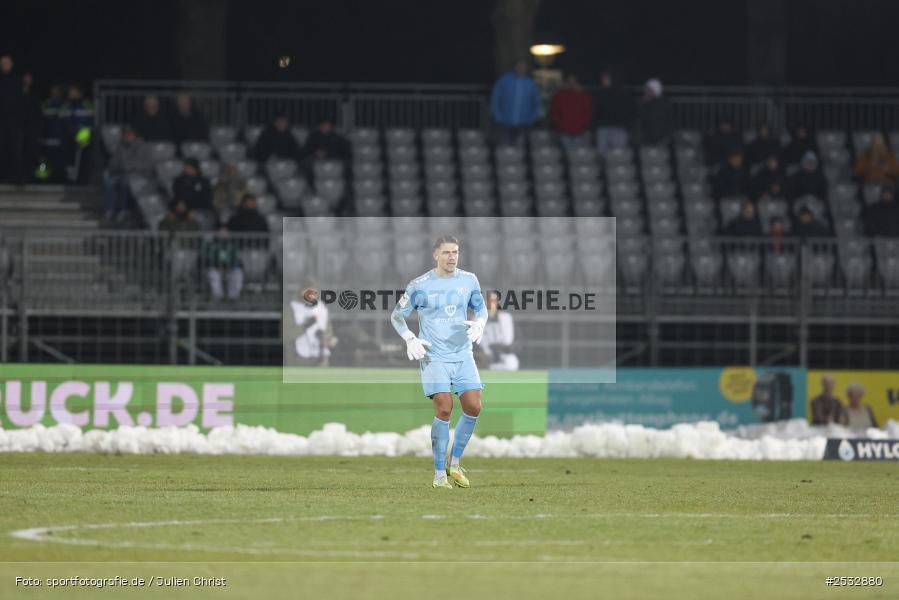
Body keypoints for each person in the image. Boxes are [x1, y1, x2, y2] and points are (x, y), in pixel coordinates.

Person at [390, 235, 487, 489]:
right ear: (435, 255)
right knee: (444, 408)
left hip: (463, 354)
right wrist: (410, 338)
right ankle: (438, 475)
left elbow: (481, 308)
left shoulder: (469, 280)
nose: (451, 257)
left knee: (474, 406)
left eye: (455, 252)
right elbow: (397, 316)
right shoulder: (419, 284)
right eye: (446, 252)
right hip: (434, 355)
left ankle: (454, 464)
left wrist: (481, 322)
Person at [103, 126, 153, 223]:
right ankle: (110, 210)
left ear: (135, 135)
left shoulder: (143, 146)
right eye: (125, 134)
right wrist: (117, 166)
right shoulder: (120, 146)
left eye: (129, 134)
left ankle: (124, 210)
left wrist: (131, 166)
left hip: (138, 175)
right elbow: (113, 162)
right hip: (121, 173)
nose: (127, 136)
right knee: (109, 182)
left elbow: (148, 164)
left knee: (125, 183)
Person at [489, 58, 542, 146]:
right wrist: (498, 116)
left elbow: (537, 102)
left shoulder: (531, 84)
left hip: (524, 123)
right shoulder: (504, 81)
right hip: (505, 122)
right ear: (515, 67)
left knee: (520, 150)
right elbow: (494, 99)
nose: (521, 68)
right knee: (504, 149)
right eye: (519, 66)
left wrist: (532, 117)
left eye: (524, 67)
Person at [288, 283, 336, 366]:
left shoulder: (321, 309)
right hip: (299, 358)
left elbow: (329, 334)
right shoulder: (291, 309)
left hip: (320, 357)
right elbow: (286, 335)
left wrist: (326, 339)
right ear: (301, 292)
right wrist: (304, 326)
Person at [58, 84, 94, 183]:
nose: (70, 94)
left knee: (82, 159)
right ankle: (69, 179)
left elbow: (89, 122)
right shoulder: (65, 106)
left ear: (79, 93)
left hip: (83, 136)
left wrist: (82, 138)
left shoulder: (87, 104)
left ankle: (81, 180)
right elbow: (62, 122)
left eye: (73, 91)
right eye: (70, 92)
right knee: (68, 159)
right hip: (68, 136)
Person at [593, 69, 634, 156]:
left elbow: (628, 111)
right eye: (603, 78)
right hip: (603, 128)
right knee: (602, 156)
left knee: (618, 156)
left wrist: (627, 125)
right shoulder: (599, 94)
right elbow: (596, 111)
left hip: (619, 128)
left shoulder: (622, 93)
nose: (603, 80)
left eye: (606, 78)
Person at [476, 291, 519, 370]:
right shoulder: (476, 321)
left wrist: (501, 348)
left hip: (504, 355)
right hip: (485, 358)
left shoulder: (506, 318)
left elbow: (515, 342)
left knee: (512, 362)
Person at [300, 117, 351, 185]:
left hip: (334, 162)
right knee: (307, 164)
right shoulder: (313, 137)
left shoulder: (338, 138)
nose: (325, 127)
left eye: (327, 125)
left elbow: (346, 153)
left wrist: (328, 154)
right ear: (319, 126)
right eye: (323, 125)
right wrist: (315, 153)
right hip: (316, 163)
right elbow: (306, 150)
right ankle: (313, 187)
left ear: (331, 126)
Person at [548, 74, 592, 149]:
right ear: (566, 82)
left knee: (577, 156)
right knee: (566, 155)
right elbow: (554, 113)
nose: (571, 83)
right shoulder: (559, 95)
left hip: (579, 132)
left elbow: (588, 112)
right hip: (564, 132)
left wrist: (582, 125)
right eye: (569, 81)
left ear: (576, 82)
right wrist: (560, 125)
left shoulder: (582, 95)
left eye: (573, 81)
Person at [0, 54, 25, 184]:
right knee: (2, 149)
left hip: (15, 121)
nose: (4, 65)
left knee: (15, 149)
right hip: (2, 121)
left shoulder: (17, 79)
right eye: (2, 63)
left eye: (6, 63)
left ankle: (18, 178)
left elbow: (20, 101)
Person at [203, 227, 243, 302]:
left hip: (230, 268)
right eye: (221, 233)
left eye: (225, 233)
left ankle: (233, 297)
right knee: (213, 274)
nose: (223, 234)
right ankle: (218, 296)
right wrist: (217, 266)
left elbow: (237, 259)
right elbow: (209, 258)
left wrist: (230, 267)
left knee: (238, 273)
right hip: (217, 268)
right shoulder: (213, 244)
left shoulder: (232, 244)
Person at [637, 78, 673, 146]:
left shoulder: (664, 103)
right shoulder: (643, 102)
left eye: (648, 89)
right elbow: (640, 119)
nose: (645, 91)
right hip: (646, 138)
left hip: (661, 137)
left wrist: (667, 137)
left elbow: (669, 121)